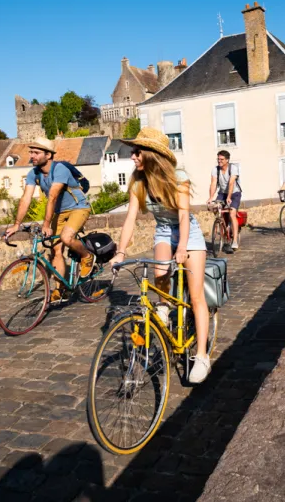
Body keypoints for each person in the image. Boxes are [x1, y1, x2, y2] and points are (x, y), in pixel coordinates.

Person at [108, 127, 212, 384]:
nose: (132, 156)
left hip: (189, 232)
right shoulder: (138, 181)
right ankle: (164, 307)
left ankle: (201, 356)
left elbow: (185, 215)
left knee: (196, 294)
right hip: (164, 230)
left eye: (136, 152)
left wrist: (183, 247)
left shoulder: (178, 178)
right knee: (159, 274)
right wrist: (120, 252)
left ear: (151, 154)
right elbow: (130, 217)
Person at [4, 137, 94, 300]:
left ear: (48, 155)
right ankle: (60, 290)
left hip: (78, 207)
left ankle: (87, 256)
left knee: (66, 238)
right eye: (31, 152)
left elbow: (52, 197)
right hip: (59, 212)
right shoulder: (34, 174)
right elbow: (26, 198)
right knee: (55, 250)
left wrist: (46, 224)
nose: (32, 155)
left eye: (36, 152)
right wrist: (17, 224)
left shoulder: (60, 169)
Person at [207, 150, 241, 250]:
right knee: (215, 208)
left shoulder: (233, 168)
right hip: (222, 193)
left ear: (227, 160)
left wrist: (229, 197)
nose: (219, 161)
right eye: (218, 159)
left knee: (232, 214)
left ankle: (234, 241)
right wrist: (211, 197)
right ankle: (222, 223)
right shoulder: (215, 169)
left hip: (234, 193)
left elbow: (231, 183)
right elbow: (213, 183)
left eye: (221, 159)